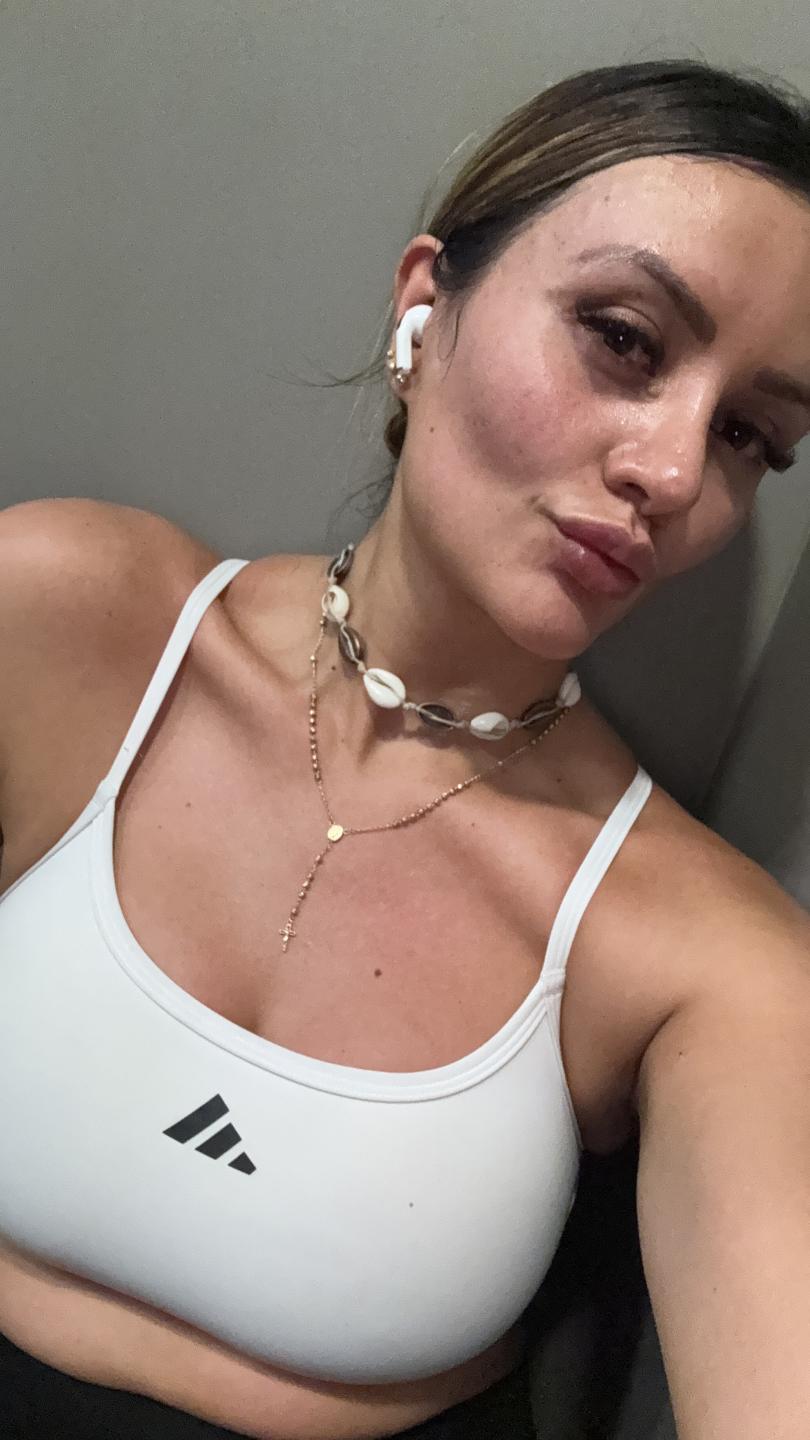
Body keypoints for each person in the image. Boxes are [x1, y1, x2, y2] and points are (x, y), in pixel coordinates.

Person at [1, 52, 810, 1440]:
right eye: (624, 338)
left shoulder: (699, 953)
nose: (674, 472)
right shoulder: (70, 619)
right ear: (426, 302)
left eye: (748, 434)